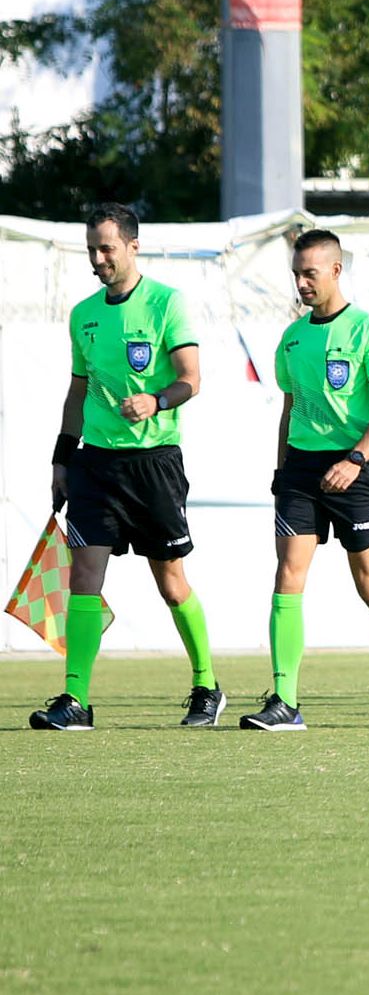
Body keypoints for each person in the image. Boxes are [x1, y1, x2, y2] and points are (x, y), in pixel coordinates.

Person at [31, 204, 220, 731]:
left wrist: (157, 401)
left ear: (133, 246)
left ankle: (206, 684)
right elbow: (77, 390)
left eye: (107, 248)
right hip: (96, 466)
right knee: (85, 578)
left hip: (154, 464)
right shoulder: (84, 315)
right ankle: (75, 699)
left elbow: (191, 379)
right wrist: (61, 459)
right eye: (92, 248)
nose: (98, 258)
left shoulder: (167, 304)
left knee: (172, 583)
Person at [239, 229, 369, 731]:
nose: (302, 283)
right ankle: (284, 700)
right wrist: (281, 472)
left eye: (310, 273)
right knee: (288, 574)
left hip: (355, 467)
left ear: (335, 270)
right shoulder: (293, 338)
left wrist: (356, 459)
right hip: (302, 470)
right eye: (296, 274)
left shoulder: (368, 330)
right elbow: (289, 409)